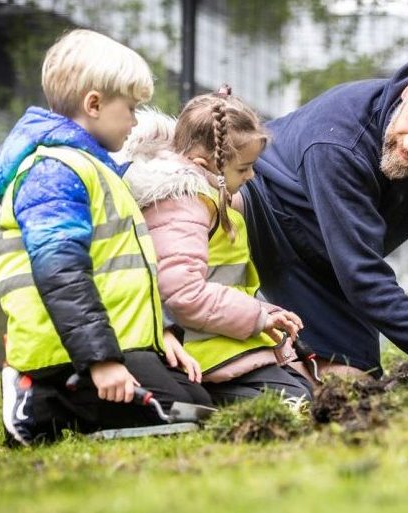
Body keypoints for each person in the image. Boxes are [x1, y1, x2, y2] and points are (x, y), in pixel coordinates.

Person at [0, 29, 211, 446]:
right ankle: (35, 397)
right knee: (174, 417)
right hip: (63, 356)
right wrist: (102, 361)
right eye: (130, 108)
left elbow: (121, 274)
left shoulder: (96, 168)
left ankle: (73, 394)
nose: (134, 120)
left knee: (196, 406)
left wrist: (160, 333)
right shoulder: (53, 171)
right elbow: (62, 275)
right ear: (94, 104)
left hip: (112, 345)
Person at [241, 53, 408, 387]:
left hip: (332, 253)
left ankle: (287, 363)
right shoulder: (339, 142)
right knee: (334, 384)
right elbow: (362, 273)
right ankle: (241, 370)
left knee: (355, 381)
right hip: (269, 215)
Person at [119, 88, 313, 405]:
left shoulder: (206, 197)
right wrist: (259, 317)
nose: (252, 176)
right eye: (242, 169)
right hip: (202, 350)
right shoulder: (181, 204)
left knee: (306, 392)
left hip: (223, 336)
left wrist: (266, 313)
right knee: (295, 402)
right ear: (202, 163)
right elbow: (183, 293)